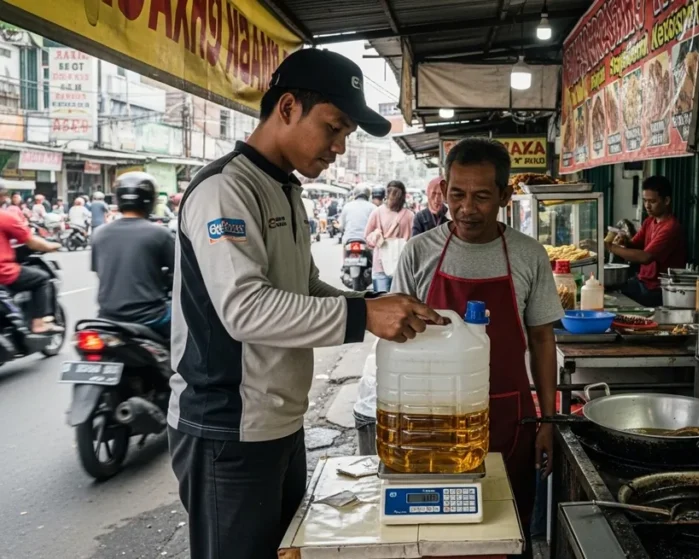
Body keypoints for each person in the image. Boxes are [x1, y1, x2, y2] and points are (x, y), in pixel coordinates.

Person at [167, 48, 443, 559]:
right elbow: (244, 310)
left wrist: (375, 305)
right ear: (288, 107)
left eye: (345, 136)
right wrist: (363, 316)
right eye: (334, 128)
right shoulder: (227, 190)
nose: (339, 147)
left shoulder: (284, 189)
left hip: (279, 421)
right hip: (228, 427)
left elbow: (304, 286)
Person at [390, 138, 562, 548]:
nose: (467, 208)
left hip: (510, 419)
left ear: (504, 195)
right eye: (457, 194)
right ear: (444, 188)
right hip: (432, 420)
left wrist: (548, 421)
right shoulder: (418, 253)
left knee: (506, 530)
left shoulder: (527, 254)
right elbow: (397, 338)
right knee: (438, 534)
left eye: (482, 196)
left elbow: (541, 340)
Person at [91, 173, 176, 337]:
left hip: (107, 316)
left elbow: (99, 272)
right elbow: (181, 273)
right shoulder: (160, 233)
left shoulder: (99, 233)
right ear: (150, 199)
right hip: (150, 316)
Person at [605, 176, 687, 307]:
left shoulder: (671, 227)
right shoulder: (649, 221)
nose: (647, 206)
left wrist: (610, 247)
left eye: (652, 201)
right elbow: (635, 245)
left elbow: (645, 257)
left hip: (657, 290)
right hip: (642, 282)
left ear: (666, 200)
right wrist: (624, 241)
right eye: (645, 201)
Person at [0, 187, 62, 333]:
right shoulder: (5, 216)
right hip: (4, 272)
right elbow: (31, 241)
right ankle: (39, 324)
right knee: (42, 278)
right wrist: (51, 246)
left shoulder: (18, 212)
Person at [364, 180, 413, 292]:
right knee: (399, 305)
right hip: (401, 268)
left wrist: (375, 238)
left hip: (383, 266)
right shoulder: (409, 215)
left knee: (382, 304)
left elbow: (367, 237)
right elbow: (413, 242)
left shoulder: (377, 212)